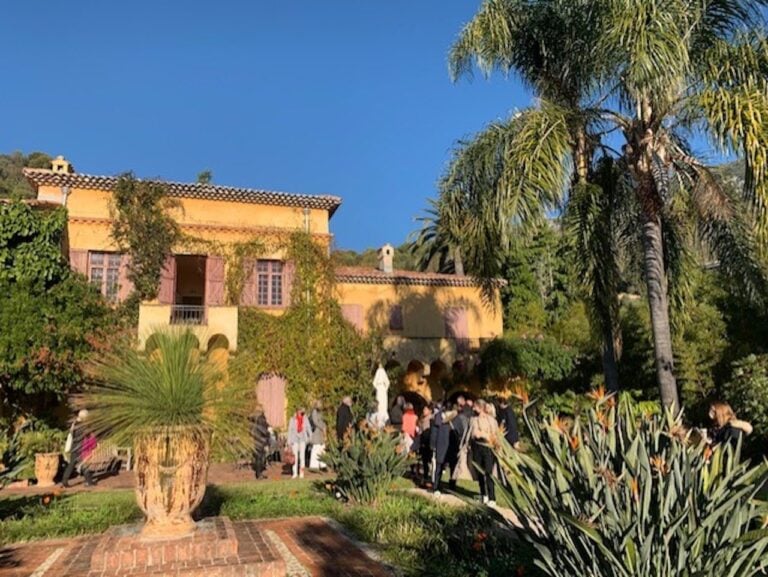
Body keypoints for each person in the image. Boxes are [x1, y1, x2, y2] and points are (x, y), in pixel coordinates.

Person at [471, 399, 500, 506]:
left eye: (475, 407)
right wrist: (483, 434)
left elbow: (494, 434)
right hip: (477, 446)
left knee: (488, 472)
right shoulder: (474, 420)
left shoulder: (491, 420)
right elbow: (474, 433)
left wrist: (484, 434)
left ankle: (492, 497)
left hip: (488, 447)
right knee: (479, 472)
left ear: (480, 407)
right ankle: (484, 494)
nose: (473, 409)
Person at [61, 409, 95, 488]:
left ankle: (64, 480)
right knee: (84, 463)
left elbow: (72, 434)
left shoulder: (74, 423)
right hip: (81, 446)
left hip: (74, 446)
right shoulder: (83, 425)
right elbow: (87, 435)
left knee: (72, 464)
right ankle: (89, 481)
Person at [431, 403, 458, 495]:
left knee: (441, 466)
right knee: (444, 466)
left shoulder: (439, 417)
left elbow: (434, 432)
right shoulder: (443, 418)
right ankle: (442, 486)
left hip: (445, 445)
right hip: (448, 445)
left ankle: (437, 486)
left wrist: (433, 445)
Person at [287, 407, 313, 479]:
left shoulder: (305, 419)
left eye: (302, 411)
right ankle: (294, 473)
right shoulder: (292, 419)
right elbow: (290, 431)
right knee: (295, 457)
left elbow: (308, 428)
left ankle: (302, 472)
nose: (301, 412)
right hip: (294, 440)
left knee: (302, 456)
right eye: (300, 411)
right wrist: (289, 442)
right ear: (297, 411)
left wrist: (310, 437)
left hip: (302, 439)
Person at [249, 407, 270, 479]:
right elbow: (263, 429)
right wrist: (267, 434)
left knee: (257, 457)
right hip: (260, 439)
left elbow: (250, 430)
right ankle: (259, 474)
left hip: (254, 439)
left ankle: (258, 473)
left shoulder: (252, 419)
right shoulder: (261, 418)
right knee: (260, 457)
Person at [416, 405, 433, 485]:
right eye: (423, 409)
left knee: (426, 461)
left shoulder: (430, 419)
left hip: (427, 442)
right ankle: (424, 476)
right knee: (424, 461)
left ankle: (427, 477)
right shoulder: (423, 419)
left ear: (430, 410)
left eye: (425, 409)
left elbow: (427, 432)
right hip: (422, 441)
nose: (424, 411)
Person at [309, 400, 327, 471]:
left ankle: (323, 465)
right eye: (320, 404)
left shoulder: (321, 412)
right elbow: (315, 422)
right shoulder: (314, 412)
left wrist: (324, 427)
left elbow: (323, 421)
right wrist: (322, 427)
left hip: (321, 433)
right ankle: (314, 466)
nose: (321, 405)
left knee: (322, 448)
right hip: (316, 432)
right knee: (316, 449)